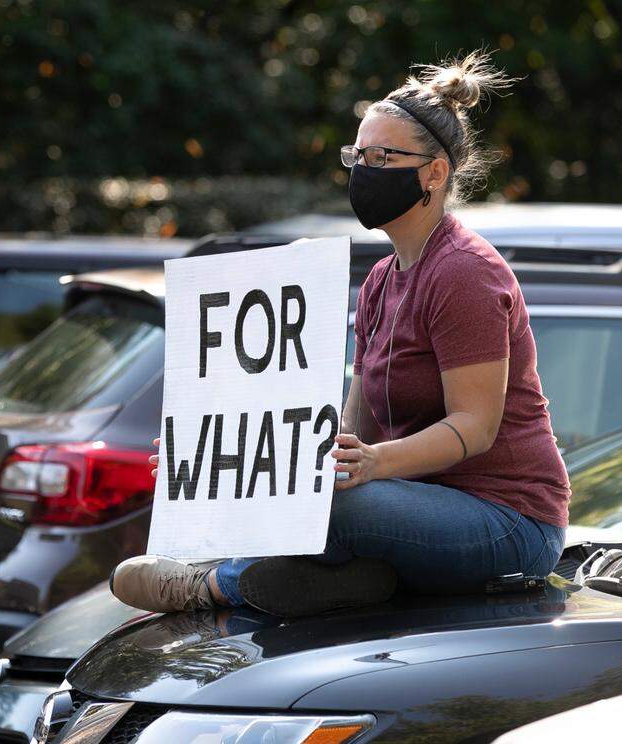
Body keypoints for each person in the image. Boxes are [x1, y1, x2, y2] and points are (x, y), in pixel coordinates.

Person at [111, 52, 571, 617]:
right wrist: (218, 462)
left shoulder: (465, 272)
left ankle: (213, 586)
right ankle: (355, 578)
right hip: (420, 504)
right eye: (358, 155)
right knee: (306, 489)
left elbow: (475, 428)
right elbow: (353, 428)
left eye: (384, 157)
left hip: (510, 523)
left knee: (331, 504)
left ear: (434, 172)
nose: (364, 170)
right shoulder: (380, 280)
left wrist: (374, 464)